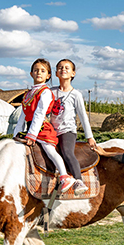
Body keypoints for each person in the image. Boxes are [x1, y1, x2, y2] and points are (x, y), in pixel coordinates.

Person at [14, 58, 75, 193]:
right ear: (31, 74)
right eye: (36, 70)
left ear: (48, 75)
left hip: (41, 129)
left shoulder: (45, 92)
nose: (38, 73)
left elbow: (40, 113)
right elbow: (22, 117)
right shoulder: (28, 94)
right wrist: (15, 134)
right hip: (29, 128)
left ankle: (65, 176)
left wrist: (32, 135)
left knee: (49, 150)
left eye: (42, 71)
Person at [52, 59, 97, 196]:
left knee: (67, 152)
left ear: (73, 73)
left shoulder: (75, 94)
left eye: (66, 68)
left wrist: (89, 137)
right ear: (55, 73)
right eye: (60, 67)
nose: (63, 69)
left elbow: (83, 116)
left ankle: (78, 181)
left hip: (67, 131)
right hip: (52, 131)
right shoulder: (51, 92)